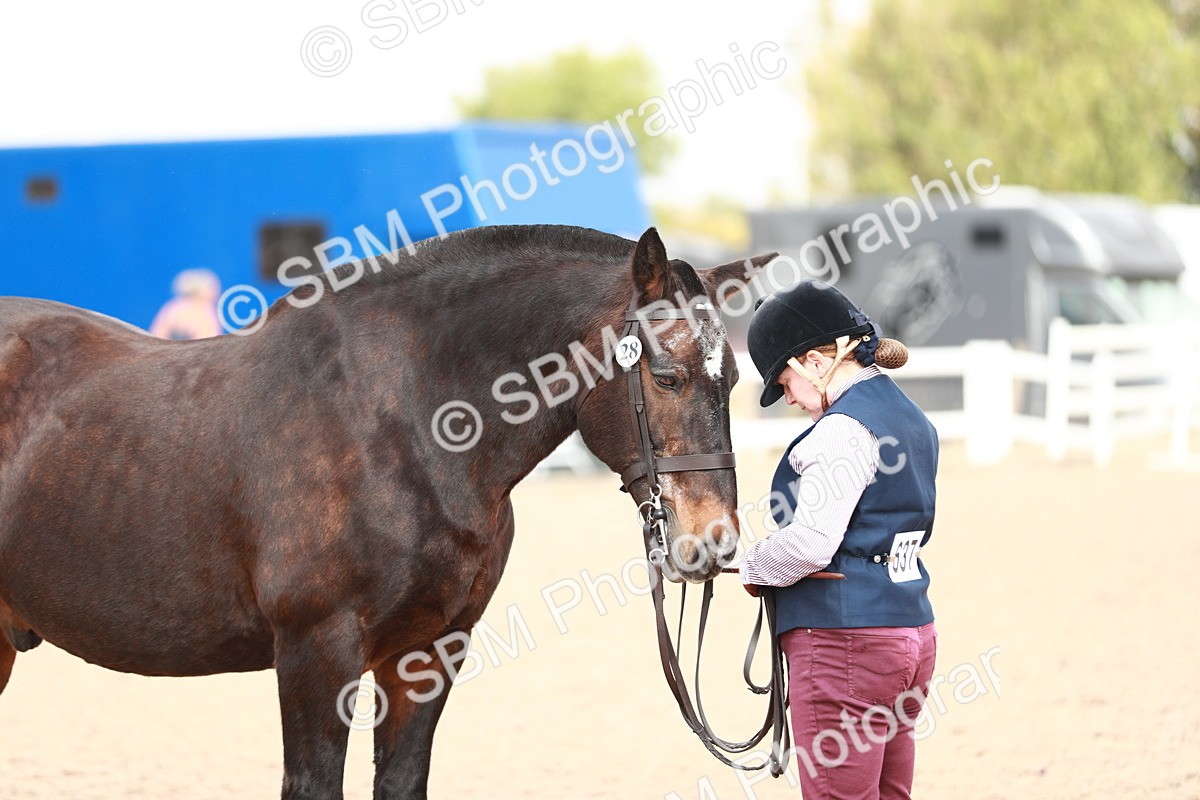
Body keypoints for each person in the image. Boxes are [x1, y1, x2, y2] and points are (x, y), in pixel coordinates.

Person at [739, 280, 938, 800]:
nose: (788, 397)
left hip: (845, 644)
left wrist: (752, 564)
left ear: (815, 361)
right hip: (911, 633)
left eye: (786, 382)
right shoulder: (911, 417)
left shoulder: (839, 430)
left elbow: (811, 543)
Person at [149, 269, 223, 340]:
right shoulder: (206, 312)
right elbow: (208, 343)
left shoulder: (172, 307)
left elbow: (156, 337)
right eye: (213, 288)